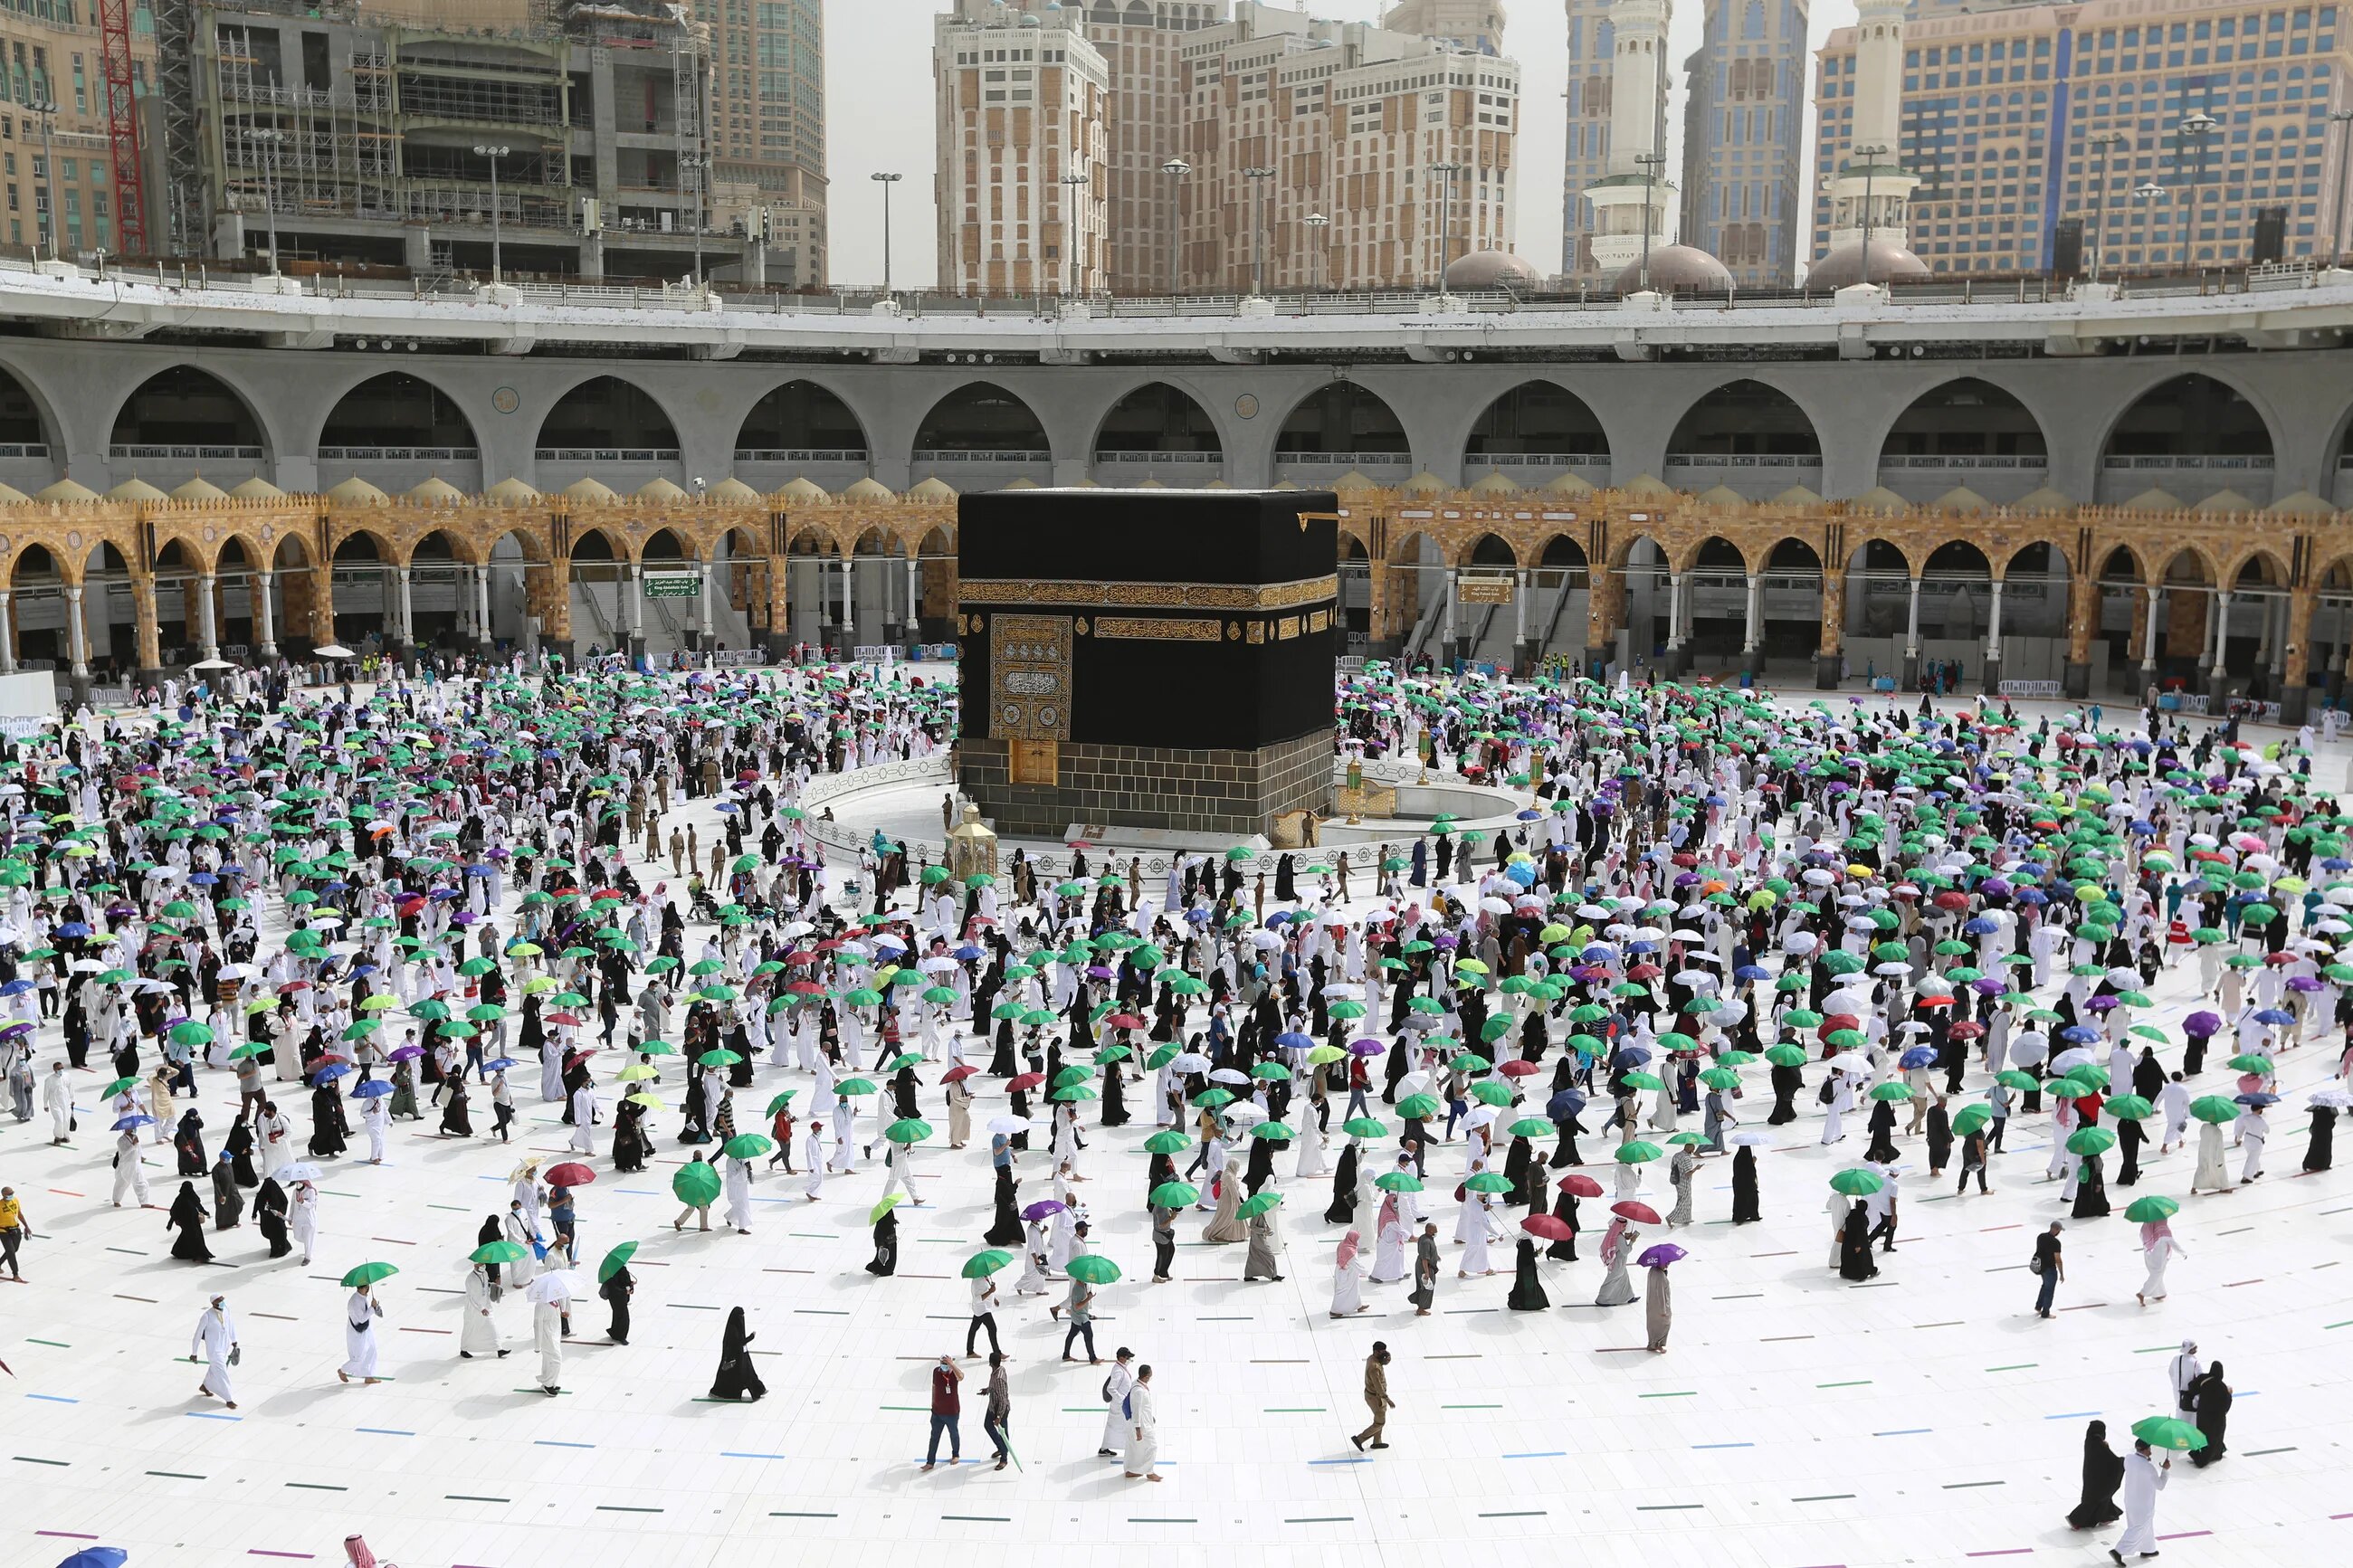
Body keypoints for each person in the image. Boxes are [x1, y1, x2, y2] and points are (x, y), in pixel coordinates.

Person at [2108, 1439, 2169, 1564]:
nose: (2151, 1453)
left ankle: (2148, 1549)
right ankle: (2119, 1551)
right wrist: (2165, 1470)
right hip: (2144, 1504)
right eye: (2149, 1450)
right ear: (2146, 1449)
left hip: (2130, 1500)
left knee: (2145, 1526)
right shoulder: (2149, 1468)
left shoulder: (2129, 1459)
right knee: (2138, 1528)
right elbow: (2160, 1485)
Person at [2066, 1420, 2125, 1530]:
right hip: (2098, 1479)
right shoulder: (2098, 1445)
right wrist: (2122, 1461)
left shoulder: (2090, 1441)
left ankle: (2105, 1516)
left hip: (2091, 1475)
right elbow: (2112, 1461)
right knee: (2096, 1498)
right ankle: (2076, 1520)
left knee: (2102, 1498)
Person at [189, 1293, 238, 1410]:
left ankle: (205, 1386)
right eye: (219, 1300)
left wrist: (234, 1340)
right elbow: (198, 1334)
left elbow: (231, 1325)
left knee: (214, 1369)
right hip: (214, 1350)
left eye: (222, 1299)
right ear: (213, 1303)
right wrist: (194, 1353)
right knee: (222, 1373)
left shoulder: (226, 1310)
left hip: (224, 1346)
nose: (222, 1302)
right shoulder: (207, 1316)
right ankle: (229, 1399)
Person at [710, 1306, 767, 1401]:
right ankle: (757, 1390)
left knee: (749, 1372)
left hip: (742, 1355)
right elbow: (737, 1343)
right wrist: (750, 1338)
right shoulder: (732, 1329)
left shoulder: (736, 1327)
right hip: (734, 1358)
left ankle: (759, 1389)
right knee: (739, 1375)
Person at [1350, 1341, 1394, 1452]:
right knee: (1380, 1422)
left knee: (1379, 1417)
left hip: (1373, 1395)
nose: (1384, 1354)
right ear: (1376, 1351)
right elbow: (1378, 1386)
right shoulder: (1374, 1367)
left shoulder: (1372, 1358)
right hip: (1376, 1397)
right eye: (1382, 1352)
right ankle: (1359, 1439)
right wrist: (1388, 1400)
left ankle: (1377, 1442)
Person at [922, 1353, 963, 1471]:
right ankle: (930, 1461)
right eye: (943, 1363)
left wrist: (952, 1365)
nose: (944, 1366)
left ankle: (955, 1454)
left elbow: (961, 1376)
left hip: (952, 1412)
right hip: (937, 1412)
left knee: (953, 1434)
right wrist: (932, 1402)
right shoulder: (936, 1372)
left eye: (946, 1364)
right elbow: (934, 1386)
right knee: (934, 1437)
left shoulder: (954, 1374)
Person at [2187, 1359, 2231, 1467]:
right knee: (2215, 1436)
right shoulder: (2222, 1387)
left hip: (2203, 1415)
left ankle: (2199, 1454)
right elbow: (2226, 1404)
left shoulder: (2204, 1379)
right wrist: (2229, 1394)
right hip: (2217, 1418)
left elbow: (2192, 1387)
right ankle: (2210, 1456)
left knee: (2203, 1435)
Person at [339, 1283, 385, 1385]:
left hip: (367, 1330)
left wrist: (374, 1306)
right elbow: (362, 1319)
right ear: (365, 1288)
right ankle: (342, 1371)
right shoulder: (355, 1301)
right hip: (357, 1334)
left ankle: (369, 1376)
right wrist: (372, 1308)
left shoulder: (363, 1297)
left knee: (372, 1351)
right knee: (358, 1358)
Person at [462, 1261, 508, 1359]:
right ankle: (464, 1349)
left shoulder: (485, 1273)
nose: (483, 1266)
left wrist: (495, 1283)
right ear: (475, 1265)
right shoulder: (470, 1279)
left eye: (483, 1264)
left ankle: (499, 1349)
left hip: (487, 1306)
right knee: (470, 1330)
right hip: (474, 1310)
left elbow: (485, 1286)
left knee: (492, 1327)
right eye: (480, 1264)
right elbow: (471, 1297)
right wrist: (481, 1309)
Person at [1123, 1363, 1160, 1481]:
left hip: (1145, 1420)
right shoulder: (1139, 1391)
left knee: (1134, 1448)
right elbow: (1136, 1410)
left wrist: (1150, 1416)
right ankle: (1149, 1472)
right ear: (1146, 1377)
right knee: (1152, 1446)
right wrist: (1138, 1430)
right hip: (1142, 1424)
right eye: (1150, 1374)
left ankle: (1131, 1470)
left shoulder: (1137, 1383)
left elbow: (1144, 1407)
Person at [1099, 1348, 1136, 1458]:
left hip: (1120, 1404)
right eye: (1128, 1357)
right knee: (1126, 1426)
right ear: (1121, 1358)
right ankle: (1131, 1448)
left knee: (1113, 1426)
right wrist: (1121, 1398)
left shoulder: (1120, 1368)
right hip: (1119, 1405)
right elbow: (1111, 1388)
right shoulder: (1118, 1371)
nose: (1129, 1359)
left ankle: (1104, 1448)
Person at [166, 1179, 213, 1261]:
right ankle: (199, 1255)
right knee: (195, 1238)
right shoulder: (181, 1199)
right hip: (186, 1222)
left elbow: (198, 1206)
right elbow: (174, 1212)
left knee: (187, 1237)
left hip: (193, 1221)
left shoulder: (191, 1196)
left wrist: (205, 1212)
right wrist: (170, 1224)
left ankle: (178, 1251)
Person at [982, 1350, 1013, 1470]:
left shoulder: (999, 1378)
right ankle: (1001, 1447)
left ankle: (1004, 1458)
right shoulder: (998, 1370)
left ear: (991, 1363)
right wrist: (987, 1390)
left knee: (1003, 1433)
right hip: (992, 1406)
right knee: (987, 1425)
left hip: (1000, 1410)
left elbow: (1003, 1398)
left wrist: (999, 1416)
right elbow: (994, 1388)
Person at [1330, 1228, 1367, 1317]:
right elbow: (1356, 1264)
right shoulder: (1350, 1251)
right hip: (1346, 1273)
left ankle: (1358, 1305)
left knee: (1354, 1289)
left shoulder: (1343, 1244)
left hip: (1344, 1270)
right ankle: (1334, 1310)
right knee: (1342, 1291)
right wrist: (1367, 1273)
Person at [1837, 1201, 1877, 1282]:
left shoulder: (1851, 1214)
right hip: (1859, 1241)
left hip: (1848, 1240)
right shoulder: (1863, 1218)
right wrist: (1858, 1244)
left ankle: (1846, 1272)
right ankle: (1863, 1273)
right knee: (1863, 1258)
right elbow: (1860, 1232)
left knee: (1848, 1257)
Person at [967, 1265, 1002, 1357]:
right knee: (992, 1329)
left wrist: (994, 1298)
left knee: (973, 1329)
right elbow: (977, 1299)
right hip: (982, 1309)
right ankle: (997, 1353)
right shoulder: (977, 1282)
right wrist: (991, 1291)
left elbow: (986, 1291)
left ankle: (970, 1351)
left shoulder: (984, 1277)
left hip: (982, 1308)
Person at [1506, 1236, 1548, 1310]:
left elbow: (1525, 1255)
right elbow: (1528, 1257)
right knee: (1528, 1287)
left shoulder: (1522, 1240)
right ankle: (1528, 1304)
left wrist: (1536, 1252)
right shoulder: (1526, 1242)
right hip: (1527, 1270)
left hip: (1523, 1268)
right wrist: (1537, 1253)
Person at [2033, 1221, 2064, 1318]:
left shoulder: (2041, 1237)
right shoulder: (2056, 1243)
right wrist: (2061, 1274)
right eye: (2059, 1230)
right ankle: (2045, 1312)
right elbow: (2058, 1259)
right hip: (2050, 1269)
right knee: (2049, 1290)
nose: (2059, 1232)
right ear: (2055, 1229)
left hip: (2041, 1266)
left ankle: (2038, 1306)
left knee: (2045, 1286)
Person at [1408, 1220, 1440, 1316]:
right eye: (1435, 1231)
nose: (1436, 1232)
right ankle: (1421, 1309)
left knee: (1422, 1286)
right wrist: (1427, 1273)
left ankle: (1418, 1301)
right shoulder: (1426, 1241)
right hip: (1425, 1267)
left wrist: (1436, 1256)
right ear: (1430, 1231)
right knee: (1428, 1287)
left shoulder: (1424, 1237)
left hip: (1420, 1264)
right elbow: (1425, 1259)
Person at [600, 1261, 634, 1345]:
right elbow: (613, 1287)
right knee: (623, 1317)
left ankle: (615, 1333)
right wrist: (625, 1291)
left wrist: (631, 1285)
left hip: (621, 1297)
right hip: (617, 1298)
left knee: (618, 1315)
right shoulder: (612, 1273)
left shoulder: (621, 1269)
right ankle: (621, 1336)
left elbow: (626, 1281)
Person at [1644, 1258, 1673, 1353]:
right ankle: (1658, 1344)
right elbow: (1661, 1294)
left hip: (1652, 1304)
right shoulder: (1660, 1276)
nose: (1667, 1265)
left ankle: (1652, 1343)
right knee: (1665, 1324)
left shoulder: (1652, 1270)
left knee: (1653, 1325)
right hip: (1660, 1306)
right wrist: (1663, 1310)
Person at [0, 1185, 29, 1280]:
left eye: (12, 1193)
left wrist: (26, 1226)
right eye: (10, 1194)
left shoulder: (15, 1200)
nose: (12, 1195)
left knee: (14, 1250)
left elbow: (19, 1214)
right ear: (4, 1195)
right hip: (4, 1231)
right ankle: (15, 1274)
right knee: (11, 1252)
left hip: (16, 1229)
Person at [866, 1203, 899, 1276]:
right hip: (887, 1239)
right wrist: (881, 1244)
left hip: (887, 1238)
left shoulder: (882, 1215)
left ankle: (876, 1268)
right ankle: (884, 1270)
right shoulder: (886, 1213)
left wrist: (894, 1221)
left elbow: (889, 1222)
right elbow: (881, 1230)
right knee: (889, 1255)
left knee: (884, 1255)